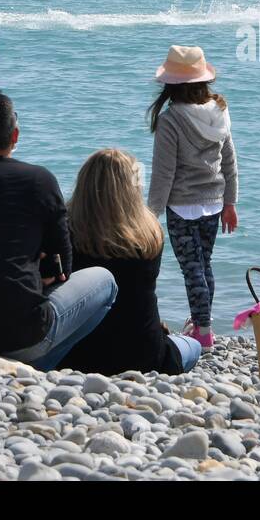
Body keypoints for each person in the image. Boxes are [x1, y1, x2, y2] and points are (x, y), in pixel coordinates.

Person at [0, 89, 116, 371]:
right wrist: (39, 271)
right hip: (17, 333)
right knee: (106, 282)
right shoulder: (38, 180)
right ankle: (32, 368)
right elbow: (63, 264)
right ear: (15, 135)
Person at [58, 148, 202, 374]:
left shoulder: (65, 230)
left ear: (83, 183)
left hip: (77, 355)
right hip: (142, 354)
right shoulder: (149, 233)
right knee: (194, 345)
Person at [146, 45, 239, 351]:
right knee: (204, 264)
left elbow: (163, 175)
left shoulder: (171, 120)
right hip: (213, 202)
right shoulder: (219, 112)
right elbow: (229, 160)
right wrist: (230, 202)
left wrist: (150, 215)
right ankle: (202, 323)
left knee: (192, 268)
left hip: (182, 205)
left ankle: (203, 330)